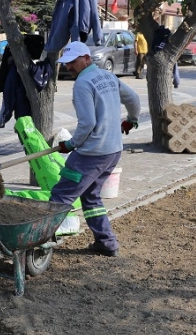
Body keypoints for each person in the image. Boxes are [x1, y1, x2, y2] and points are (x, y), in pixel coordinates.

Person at [49, 41, 140, 257]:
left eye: (73, 62)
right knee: (91, 197)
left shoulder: (83, 83)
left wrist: (71, 144)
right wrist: (132, 120)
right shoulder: (108, 76)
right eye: (67, 63)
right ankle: (106, 243)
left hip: (92, 154)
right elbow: (134, 99)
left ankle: (37, 245)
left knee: (60, 196)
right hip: (113, 151)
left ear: (87, 59)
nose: (70, 67)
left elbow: (87, 123)